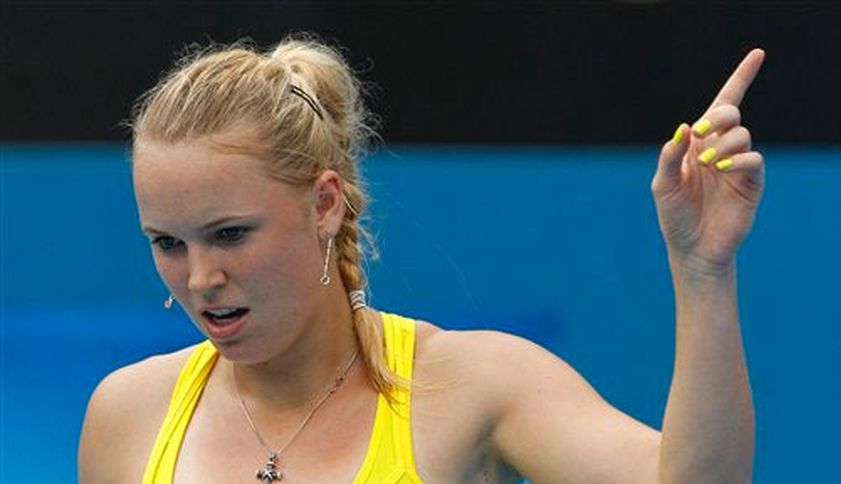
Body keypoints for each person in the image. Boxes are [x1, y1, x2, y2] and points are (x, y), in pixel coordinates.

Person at [78, 35, 764, 483]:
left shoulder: (474, 385)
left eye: (230, 234)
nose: (201, 278)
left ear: (324, 204)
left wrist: (703, 270)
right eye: (168, 243)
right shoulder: (126, 413)